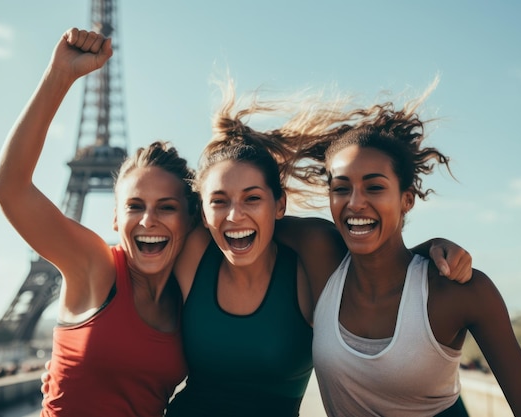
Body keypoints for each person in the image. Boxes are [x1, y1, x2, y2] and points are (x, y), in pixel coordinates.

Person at [164, 82, 474, 417]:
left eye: (252, 198)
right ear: (205, 212)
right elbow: (133, 255)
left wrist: (432, 248)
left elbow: (383, 266)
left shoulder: (313, 250)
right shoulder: (196, 246)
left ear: (279, 204)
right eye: (219, 201)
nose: (235, 214)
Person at [287, 80, 521, 416]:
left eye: (374, 187)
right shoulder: (319, 252)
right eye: (341, 189)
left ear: (406, 200)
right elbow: (242, 220)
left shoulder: (459, 290)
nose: (355, 203)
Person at [0, 28, 194, 417]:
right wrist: (59, 75)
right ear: (116, 218)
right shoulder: (97, 268)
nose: (148, 220)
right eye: (135, 206)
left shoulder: (187, 294)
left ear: (189, 218)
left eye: (166, 207)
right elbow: (9, 188)